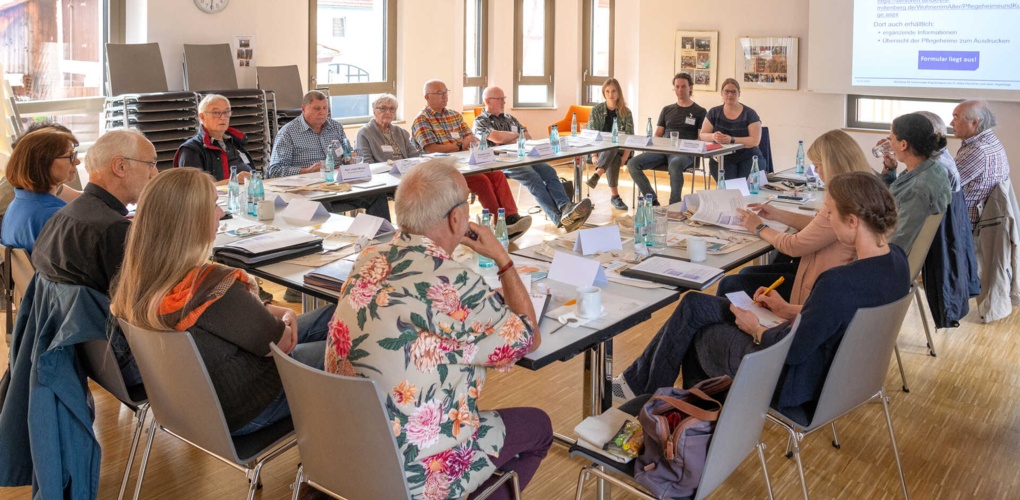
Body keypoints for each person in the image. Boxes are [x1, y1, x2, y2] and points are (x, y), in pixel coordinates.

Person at [326, 159, 551, 499]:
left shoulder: (369, 257)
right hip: (413, 467)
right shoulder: (456, 281)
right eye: (468, 203)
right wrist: (503, 259)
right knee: (539, 428)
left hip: (347, 448)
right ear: (456, 218)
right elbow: (528, 337)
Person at [613, 172, 910, 424]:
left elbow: (792, 352)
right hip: (845, 379)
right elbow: (832, 318)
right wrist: (787, 309)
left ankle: (660, 411)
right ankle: (658, 399)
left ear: (854, 221)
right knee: (695, 304)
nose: (826, 219)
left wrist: (754, 327)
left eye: (830, 212)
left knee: (700, 332)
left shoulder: (838, 282)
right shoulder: (896, 262)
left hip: (794, 383)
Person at [110, 168, 333, 435]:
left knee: (334, 315)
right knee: (353, 345)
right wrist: (283, 318)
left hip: (196, 404)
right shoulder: (212, 286)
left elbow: (227, 320)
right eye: (214, 205)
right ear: (190, 220)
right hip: (252, 404)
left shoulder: (141, 280)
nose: (220, 213)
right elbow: (283, 342)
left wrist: (271, 311)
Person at [32, 128, 160, 386]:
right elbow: (148, 304)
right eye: (151, 164)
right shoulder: (113, 229)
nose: (155, 174)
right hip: (127, 362)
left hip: (88, 356)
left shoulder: (64, 216)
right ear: (120, 166)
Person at [720, 130, 871, 305]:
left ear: (832, 165)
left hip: (817, 287)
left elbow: (793, 246)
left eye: (817, 165)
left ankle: (737, 326)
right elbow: (819, 226)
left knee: (730, 284)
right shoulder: (859, 190)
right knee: (746, 273)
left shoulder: (841, 200)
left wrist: (759, 227)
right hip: (820, 272)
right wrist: (777, 214)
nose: (815, 170)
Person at [411, 80, 532, 239]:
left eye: (446, 92)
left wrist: (458, 144)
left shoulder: (454, 115)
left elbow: (472, 139)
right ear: (427, 97)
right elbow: (431, 148)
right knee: (482, 180)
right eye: (440, 93)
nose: (444, 96)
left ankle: (511, 217)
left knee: (497, 174)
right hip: (440, 170)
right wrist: (460, 144)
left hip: (464, 163)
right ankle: (499, 224)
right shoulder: (422, 120)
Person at [473, 86, 593, 231]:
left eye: (504, 99)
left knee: (548, 170)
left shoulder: (510, 118)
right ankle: (559, 219)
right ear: (488, 101)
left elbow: (528, 137)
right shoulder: (480, 121)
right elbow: (495, 138)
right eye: (500, 99)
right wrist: (515, 136)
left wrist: (509, 138)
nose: (503, 102)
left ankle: (565, 207)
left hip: (523, 156)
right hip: (501, 162)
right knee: (533, 177)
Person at [267, 90, 391, 220]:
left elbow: (347, 153)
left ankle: (384, 235)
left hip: (338, 184)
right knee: (322, 203)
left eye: (325, 108)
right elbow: (275, 170)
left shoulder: (335, 127)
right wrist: (305, 171)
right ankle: (334, 238)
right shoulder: (288, 133)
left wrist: (351, 158)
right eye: (316, 108)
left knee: (377, 195)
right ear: (303, 109)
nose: (322, 112)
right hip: (309, 189)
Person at [625, 73, 707, 206]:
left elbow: (700, 137)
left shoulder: (700, 111)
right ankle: (652, 200)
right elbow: (658, 134)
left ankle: (674, 205)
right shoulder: (667, 109)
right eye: (677, 87)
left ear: (690, 87)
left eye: (683, 87)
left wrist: (686, 146)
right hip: (663, 149)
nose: (680, 90)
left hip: (684, 152)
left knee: (674, 164)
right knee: (632, 163)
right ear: (674, 88)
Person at [880, 113, 952, 250]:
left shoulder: (918, 189)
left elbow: (899, 241)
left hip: (895, 258)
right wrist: (890, 171)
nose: (889, 144)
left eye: (891, 139)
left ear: (903, 144)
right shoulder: (931, 168)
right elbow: (896, 194)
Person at [1, 129, 80, 253]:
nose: (77, 161)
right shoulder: (54, 217)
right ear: (43, 163)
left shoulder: (18, 205)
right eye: (70, 156)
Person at [0, 121, 84, 221]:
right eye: (69, 155)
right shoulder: (14, 195)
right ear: (42, 159)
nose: (77, 161)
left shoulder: (38, 184)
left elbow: (79, 198)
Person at [951, 99, 1010, 225]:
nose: (951, 123)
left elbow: (944, 185)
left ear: (974, 122)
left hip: (965, 226)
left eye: (956, 118)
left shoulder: (978, 150)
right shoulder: (990, 140)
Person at [174, 94, 255, 185]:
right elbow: (191, 189)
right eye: (216, 113)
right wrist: (232, 181)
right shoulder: (191, 150)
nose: (223, 117)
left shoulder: (234, 142)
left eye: (226, 112)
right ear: (202, 117)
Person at [699, 78, 767, 181]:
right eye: (726, 91)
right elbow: (703, 134)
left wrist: (732, 139)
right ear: (722, 93)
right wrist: (713, 136)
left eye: (733, 92)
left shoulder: (750, 114)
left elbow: (755, 141)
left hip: (749, 156)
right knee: (727, 186)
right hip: (722, 158)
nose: (730, 95)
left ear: (739, 93)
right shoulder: (714, 112)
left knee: (744, 186)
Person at [586, 78, 634, 210]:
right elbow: (592, 134)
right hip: (600, 149)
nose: (610, 94)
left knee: (614, 145)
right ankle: (615, 197)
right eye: (607, 91)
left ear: (618, 93)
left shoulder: (626, 112)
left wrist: (625, 156)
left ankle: (597, 174)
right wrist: (594, 155)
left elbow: (630, 136)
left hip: (621, 149)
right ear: (604, 93)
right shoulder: (596, 110)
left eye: (613, 91)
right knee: (613, 154)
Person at [355, 94, 419, 163]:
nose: (388, 112)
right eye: (383, 108)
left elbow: (414, 155)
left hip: (405, 169)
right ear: (374, 111)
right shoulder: (365, 132)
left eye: (392, 109)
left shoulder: (400, 131)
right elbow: (366, 162)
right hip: (382, 172)